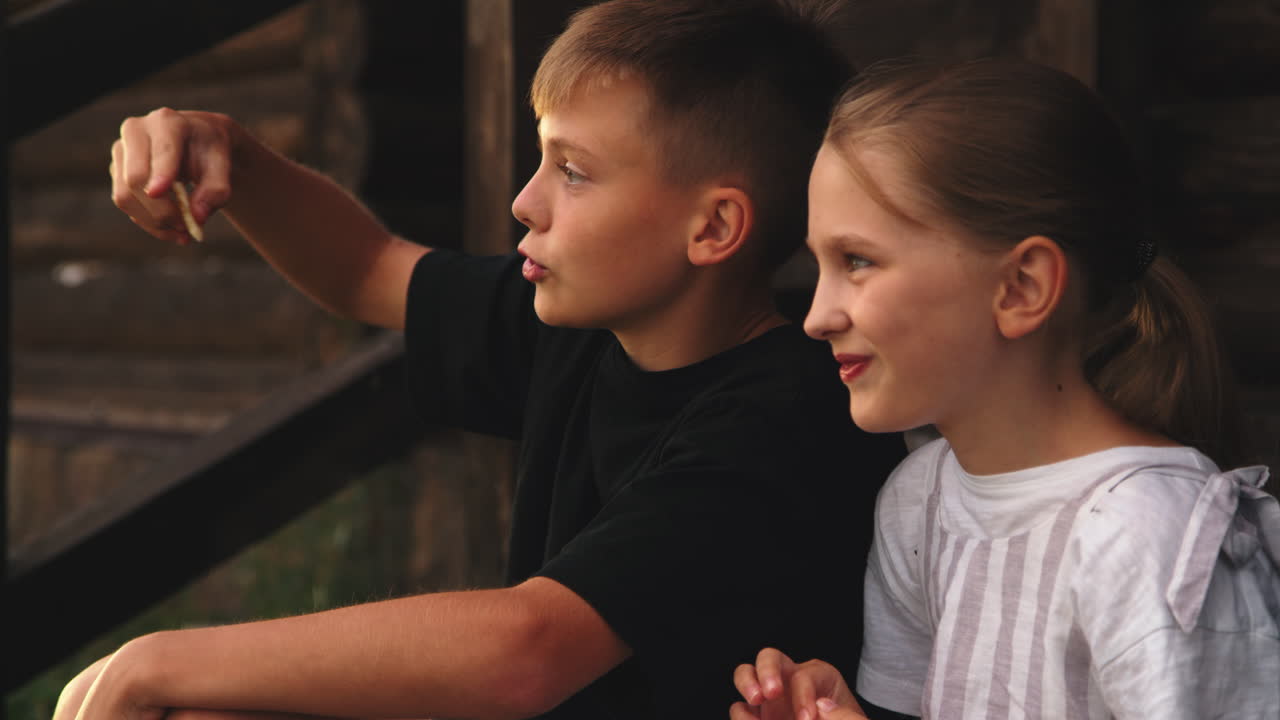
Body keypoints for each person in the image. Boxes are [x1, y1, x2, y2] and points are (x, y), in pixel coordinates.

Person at [56, 3, 907, 720]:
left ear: (714, 229)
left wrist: (152, 659)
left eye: (572, 172)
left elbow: (526, 648)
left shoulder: (786, 418)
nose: (524, 200)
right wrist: (233, 159)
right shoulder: (584, 325)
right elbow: (367, 268)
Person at [731, 58, 1280, 720]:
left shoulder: (1146, 540)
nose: (818, 316)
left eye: (858, 261)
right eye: (820, 265)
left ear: (1021, 287)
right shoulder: (921, 501)